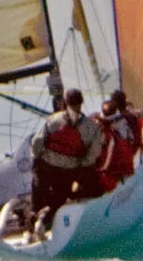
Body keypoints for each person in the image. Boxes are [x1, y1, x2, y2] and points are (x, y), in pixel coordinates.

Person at [26, 89, 104, 237]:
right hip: (68, 170)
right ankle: (47, 218)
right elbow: (94, 154)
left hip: (46, 166)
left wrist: (38, 157)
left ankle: (34, 216)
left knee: (38, 187)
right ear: (81, 104)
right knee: (59, 196)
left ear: (64, 103)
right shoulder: (90, 127)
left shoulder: (53, 120)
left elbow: (36, 142)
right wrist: (79, 164)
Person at [94, 91, 142, 194]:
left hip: (112, 170)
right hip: (125, 165)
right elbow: (135, 141)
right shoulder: (129, 120)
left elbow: (105, 164)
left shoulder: (109, 133)